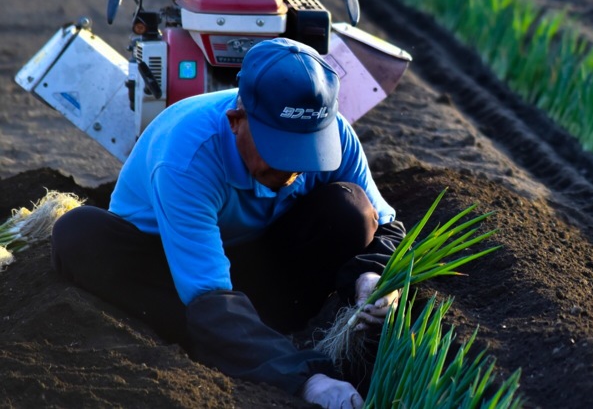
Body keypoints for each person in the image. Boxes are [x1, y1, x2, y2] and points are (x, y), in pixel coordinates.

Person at [51, 37, 406, 409]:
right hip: (172, 277)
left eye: (307, 151)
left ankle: (264, 333)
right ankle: (242, 347)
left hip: (263, 273)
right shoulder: (187, 156)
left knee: (350, 210)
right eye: (278, 151)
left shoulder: (337, 138)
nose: (293, 169)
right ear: (236, 121)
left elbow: (386, 225)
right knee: (79, 236)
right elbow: (209, 300)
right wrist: (308, 379)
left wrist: (373, 274)